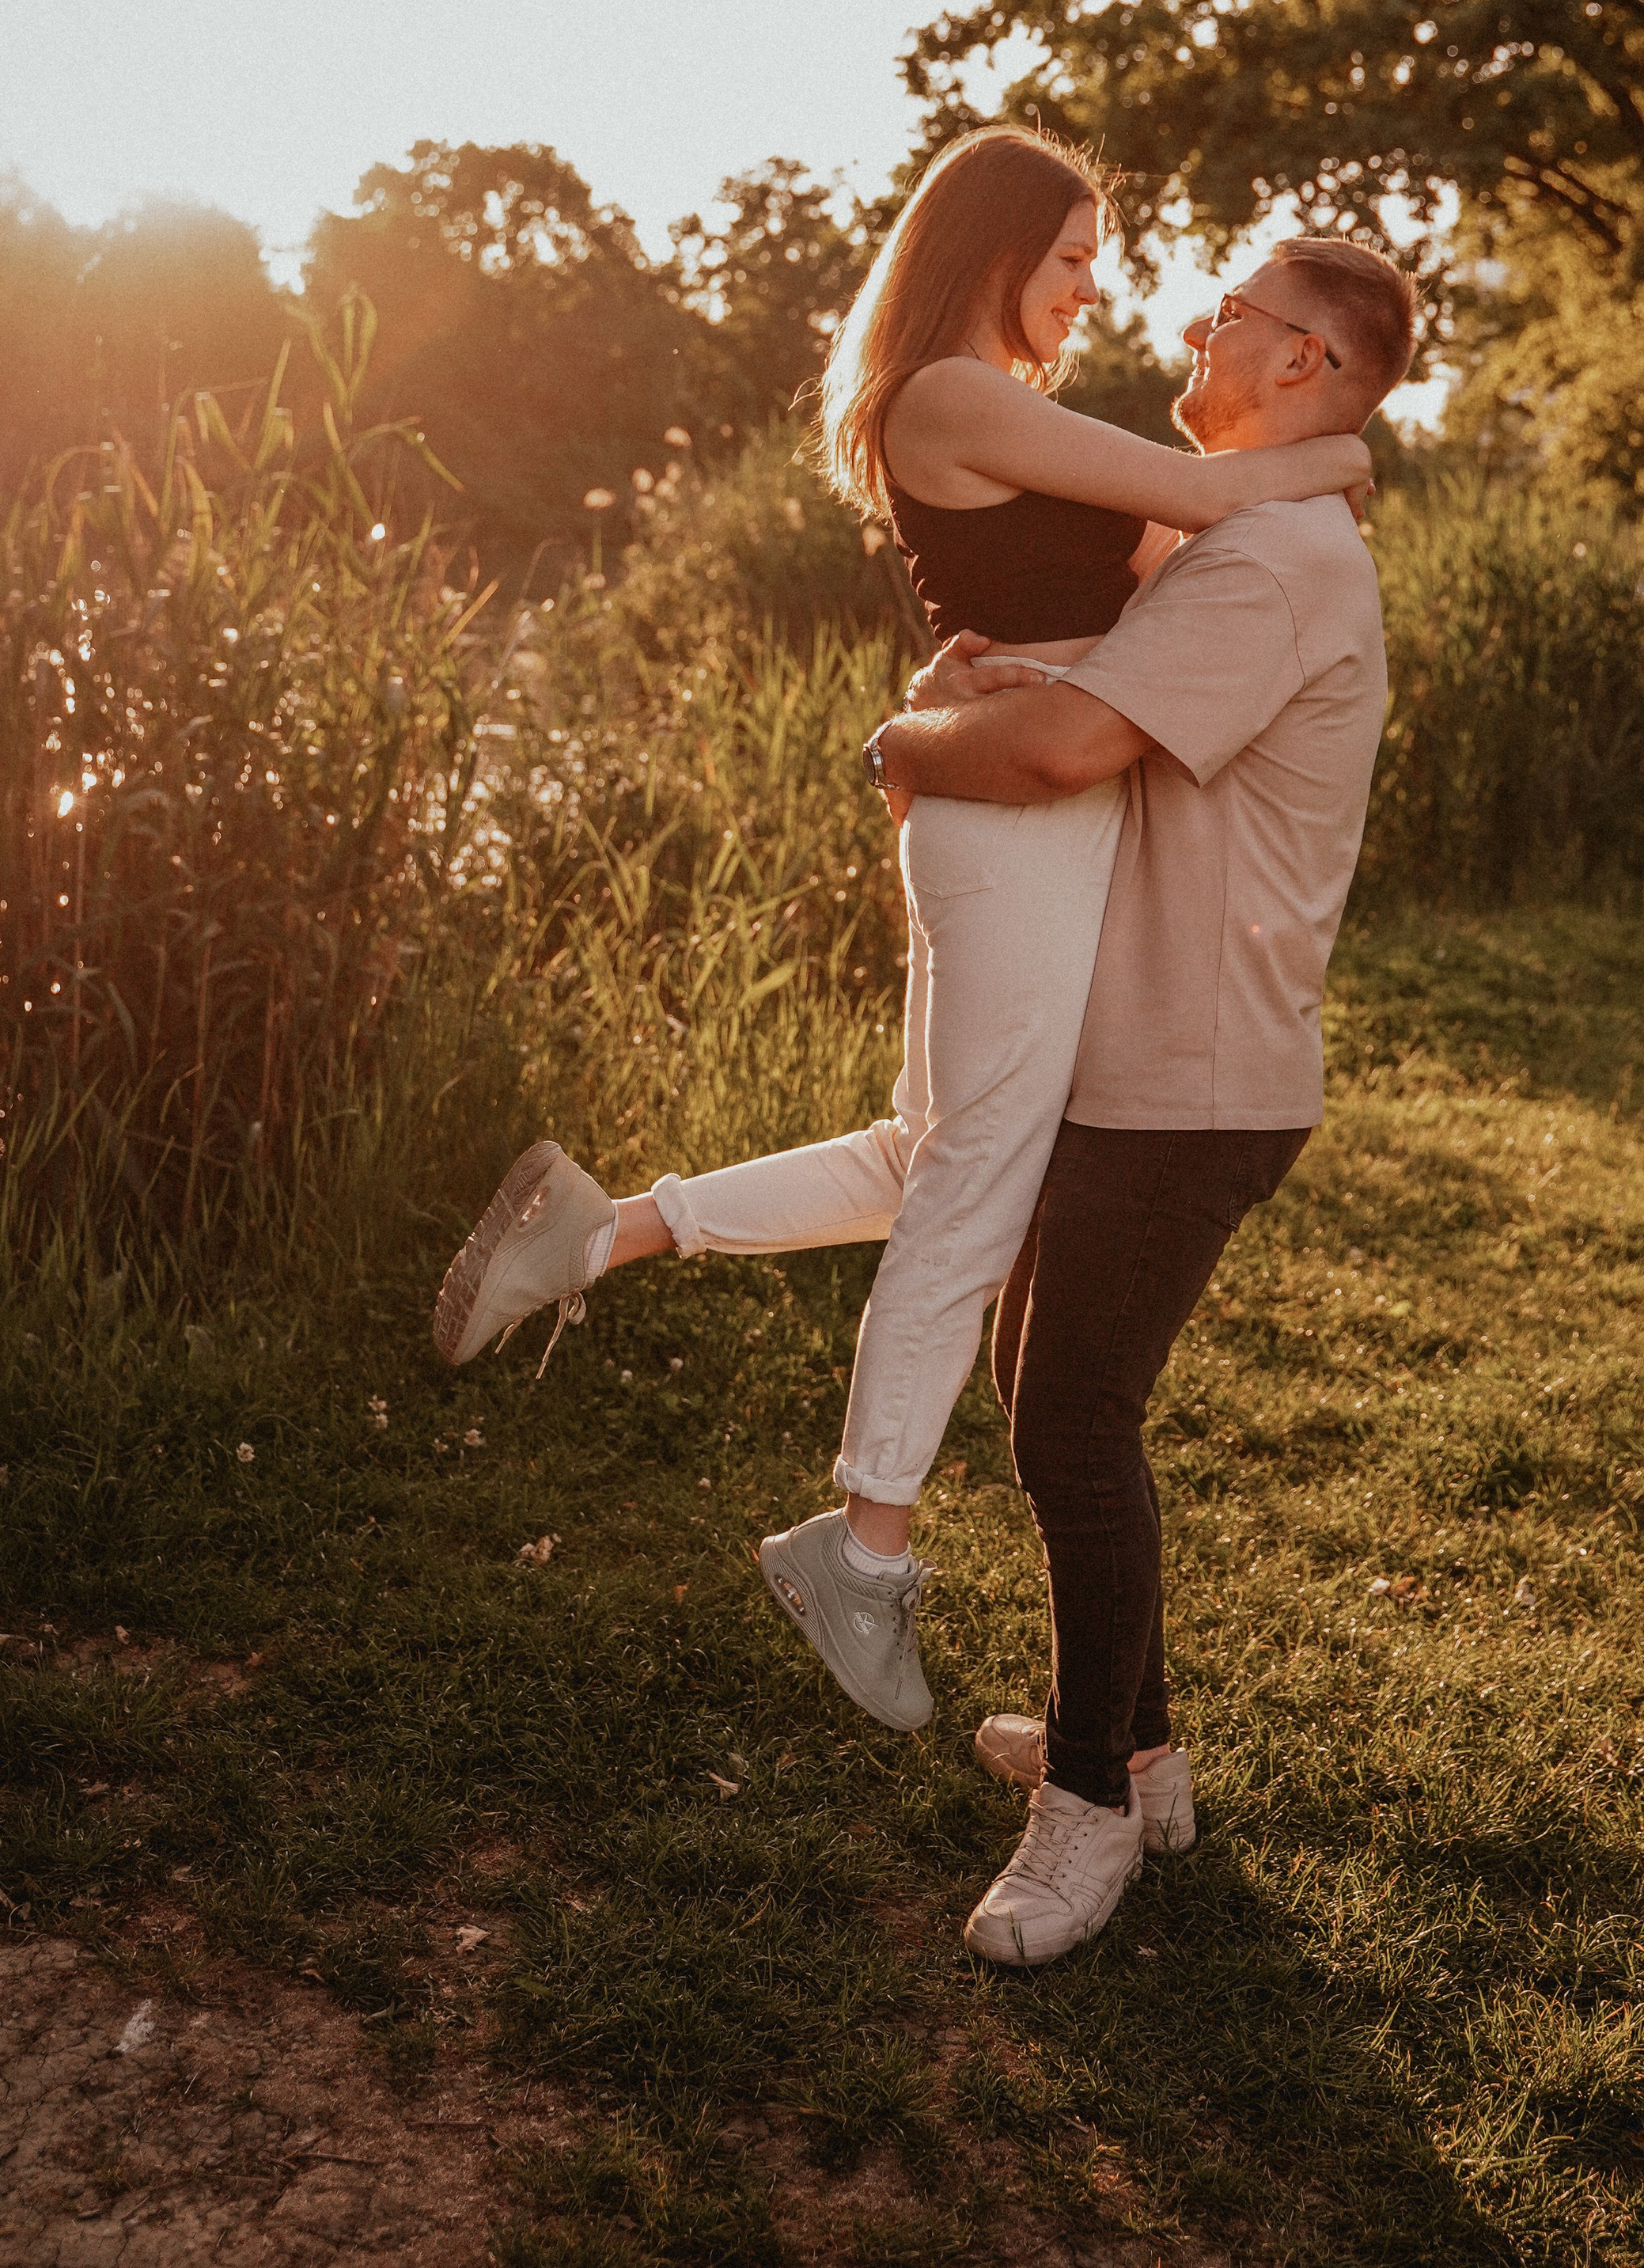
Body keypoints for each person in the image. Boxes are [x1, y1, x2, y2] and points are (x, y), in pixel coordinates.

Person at [431, 124, 1372, 1729]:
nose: (1094, 287)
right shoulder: (951, 392)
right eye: (1073, 255)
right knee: (979, 1192)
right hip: (1015, 820)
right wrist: (1342, 450)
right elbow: (1198, 493)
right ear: (992, 247)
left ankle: (596, 1232)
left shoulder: (1000, 417)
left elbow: (1166, 552)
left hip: (1020, 816)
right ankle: (859, 1558)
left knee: (925, 1154)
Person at [866, 230, 1414, 1963]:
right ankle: (1147, 1758)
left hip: (1191, 1076)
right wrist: (1004, 676)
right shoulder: (1236, 536)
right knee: (1060, 1400)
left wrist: (891, 745)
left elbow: (1060, 755)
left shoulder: (1271, 570)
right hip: (1149, 1063)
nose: (1194, 322)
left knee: (1064, 1425)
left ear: (1301, 366)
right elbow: (1084, 696)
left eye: (1232, 313)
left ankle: (1087, 1809)